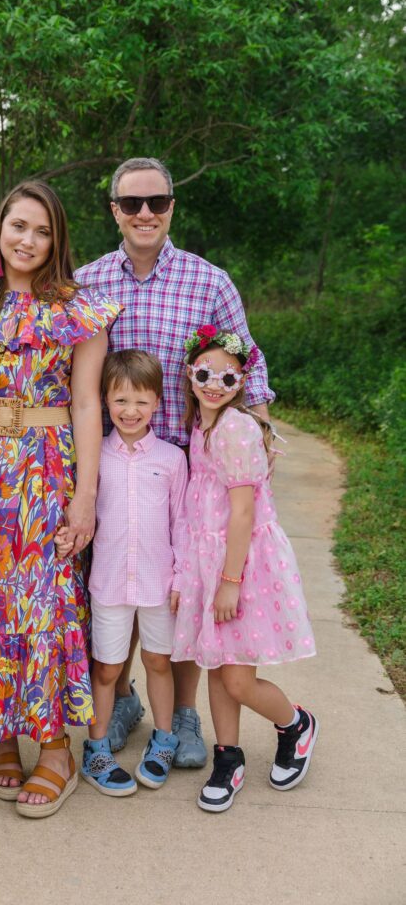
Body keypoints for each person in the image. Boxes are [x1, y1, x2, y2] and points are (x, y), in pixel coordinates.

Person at [75, 156, 275, 767]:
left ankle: (184, 714)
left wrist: (257, 461)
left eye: (156, 202)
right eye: (131, 203)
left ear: (171, 209)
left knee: (176, 589)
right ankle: (124, 699)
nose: (144, 214)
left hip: (190, 470)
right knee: (114, 580)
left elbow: (252, 372)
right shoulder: (85, 283)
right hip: (107, 466)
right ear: (113, 210)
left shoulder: (208, 283)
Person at [0, 180, 121, 818]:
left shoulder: (78, 309)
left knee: (45, 605)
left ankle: (55, 748)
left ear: (57, 241)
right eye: (20, 225)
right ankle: (2, 736)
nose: (29, 240)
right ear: (0, 227)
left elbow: (85, 406)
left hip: (45, 474)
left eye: (43, 231)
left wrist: (86, 498)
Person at [173, 326, 317, 812]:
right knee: (216, 666)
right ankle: (228, 757)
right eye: (205, 373)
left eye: (228, 378)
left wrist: (229, 582)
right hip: (209, 561)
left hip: (239, 566)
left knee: (236, 678)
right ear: (190, 373)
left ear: (242, 383)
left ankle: (295, 723)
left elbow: (242, 511)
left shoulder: (235, 427)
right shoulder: (202, 422)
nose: (215, 383)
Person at [56, 350, 188, 795]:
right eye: (120, 401)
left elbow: (182, 523)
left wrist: (183, 577)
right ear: (105, 402)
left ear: (157, 404)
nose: (130, 412)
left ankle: (164, 740)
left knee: (157, 661)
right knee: (108, 668)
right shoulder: (94, 457)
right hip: (110, 581)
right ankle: (96, 750)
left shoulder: (172, 459)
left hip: (158, 583)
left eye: (141, 402)